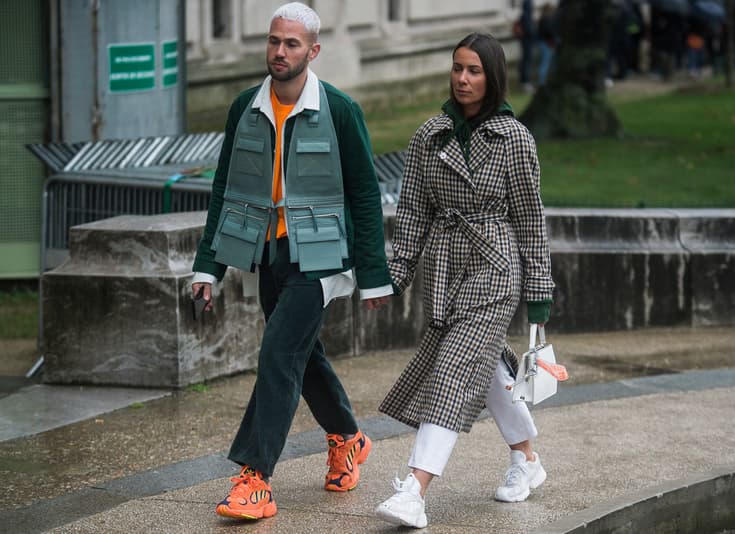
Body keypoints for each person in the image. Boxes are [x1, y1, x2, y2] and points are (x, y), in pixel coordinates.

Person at [191, 2, 392, 521]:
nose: (280, 52)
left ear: (313, 51)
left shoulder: (340, 110)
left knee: (277, 353)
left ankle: (255, 478)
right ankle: (347, 438)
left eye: (292, 44)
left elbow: (365, 196)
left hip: (321, 257)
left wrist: (372, 276)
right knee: (302, 354)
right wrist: (207, 265)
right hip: (267, 251)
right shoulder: (244, 107)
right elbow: (225, 189)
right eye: (274, 41)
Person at [374, 32, 555, 529]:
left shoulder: (516, 139)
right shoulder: (429, 135)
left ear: (492, 77)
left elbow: (529, 218)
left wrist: (539, 290)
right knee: (485, 369)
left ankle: (415, 489)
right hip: (445, 271)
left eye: (474, 70)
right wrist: (396, 275)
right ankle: (528, 461)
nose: (462, 78)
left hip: (495, 269)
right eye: (457, 68)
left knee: (453, 370)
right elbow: (411, 212)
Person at [517, 0, 538, 93]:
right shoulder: (526, 16)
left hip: (525, 42)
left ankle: (525, 82)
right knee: (527, 62)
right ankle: (526, 83)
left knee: (525, 61)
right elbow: (529, 30)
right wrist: (535, 34)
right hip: (527, 42)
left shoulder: (524, 16)